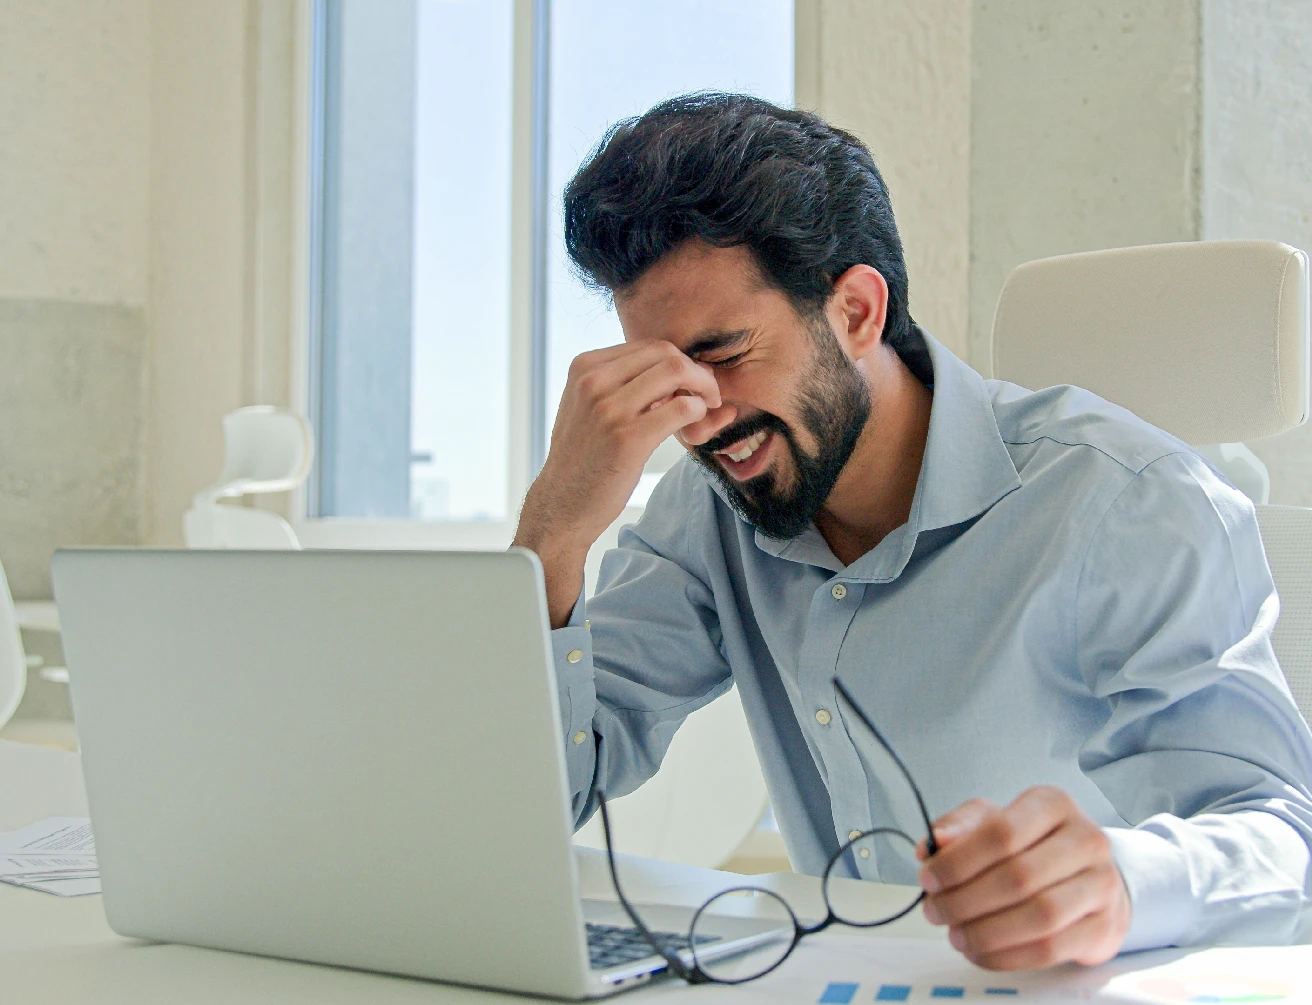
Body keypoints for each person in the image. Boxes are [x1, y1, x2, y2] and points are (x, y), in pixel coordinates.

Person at [512, 92, 1312, 970]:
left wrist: (1122, 881)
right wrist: (552, 535)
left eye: (724, 354)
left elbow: (1280, 840)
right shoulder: (705, 515)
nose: (697, 419)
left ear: (855, 311)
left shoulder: (1125, 499)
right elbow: (539, 796)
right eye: (660, 372)